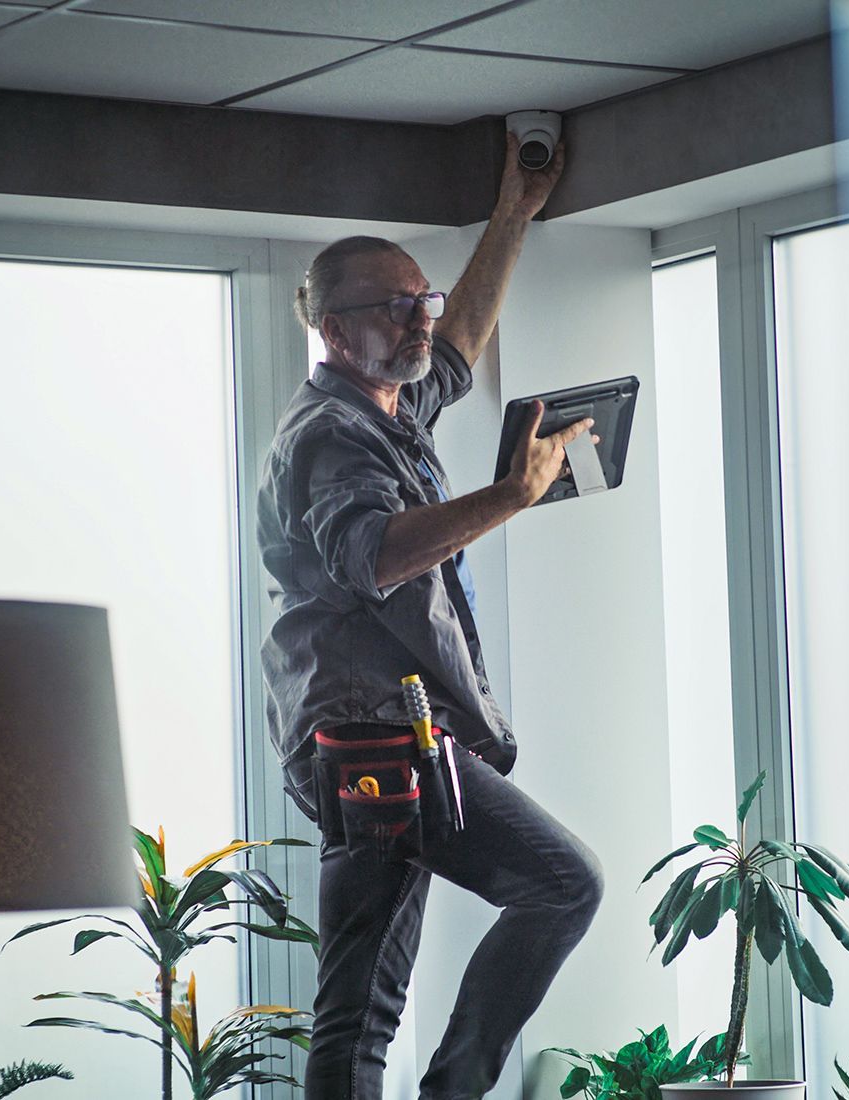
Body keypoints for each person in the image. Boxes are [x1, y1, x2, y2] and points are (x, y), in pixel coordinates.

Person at [256, 133, 605, 1100]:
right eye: (393, 307)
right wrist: (509, 497)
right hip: (371, 740)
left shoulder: (389, 406)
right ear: (331, 329)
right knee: (561, 884)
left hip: (384, 737)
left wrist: (513, 214)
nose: (419, 321)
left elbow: (457, 349)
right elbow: (371, 554)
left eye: (423, 298)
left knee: (360, 1006)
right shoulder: (332, 434)